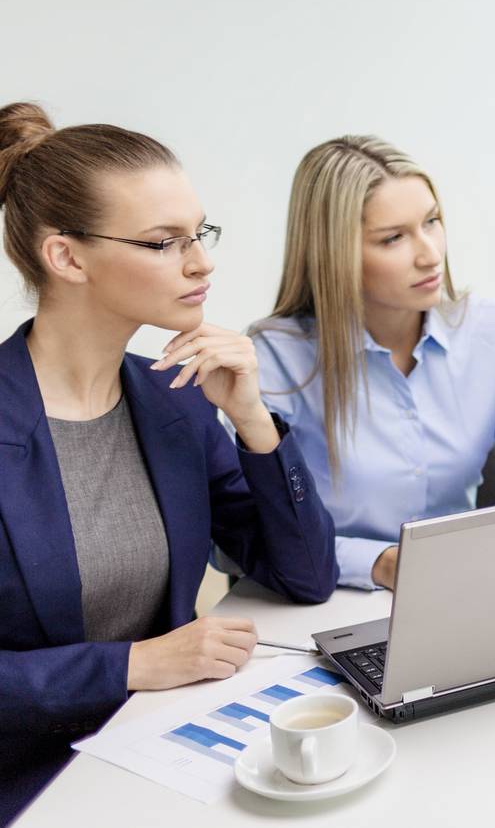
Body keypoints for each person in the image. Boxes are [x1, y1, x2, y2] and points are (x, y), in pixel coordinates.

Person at [0, 103, 337, 824]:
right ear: (66, 257)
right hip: (31, 779)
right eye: (164, 242)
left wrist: (252, 420)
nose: (201, 262)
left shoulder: (173, 399)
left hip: (166, 753)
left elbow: (302, 576)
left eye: (200, 234)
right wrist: (134, 665)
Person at [249, 136, 495, 591]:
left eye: (432, 221)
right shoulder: (275, 357)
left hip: (462, 589)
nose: (429, 253)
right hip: (325, 598)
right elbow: (250, 539)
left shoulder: (493, 330)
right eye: (394, 238)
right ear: (334, 254)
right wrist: (381, 563)